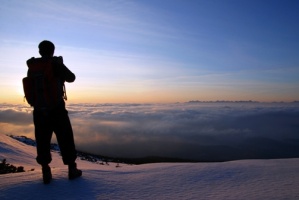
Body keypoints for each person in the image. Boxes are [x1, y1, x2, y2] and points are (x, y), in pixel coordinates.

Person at [27, 40, 82, 184]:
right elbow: (72, 78)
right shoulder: (55, 64)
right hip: (57, 109)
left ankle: (46, 171)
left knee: (42, 140)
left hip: (39, 110)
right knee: (65, 138)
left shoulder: (33, 66)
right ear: (52, 50)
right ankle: (72, 169)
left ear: (40, 51)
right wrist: (59, 65)